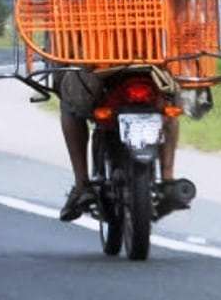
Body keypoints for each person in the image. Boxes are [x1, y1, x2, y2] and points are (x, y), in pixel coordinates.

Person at [57, 69, 180, 222]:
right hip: (156, 67)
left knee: (69, 103)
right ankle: (168, 179)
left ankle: (82, 184)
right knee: (170, 102)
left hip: (102, 66)